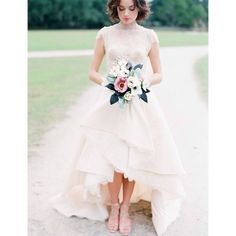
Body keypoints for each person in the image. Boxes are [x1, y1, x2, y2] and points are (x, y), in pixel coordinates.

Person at [50, 0, 186, 235]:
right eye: (121, 8)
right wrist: (111, 84)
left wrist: (140, 82)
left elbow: (159, 73)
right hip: (111, 104)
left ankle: (125, 208)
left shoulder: (149, 36)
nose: (126, 13)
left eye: (131, 8)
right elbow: (92, 71)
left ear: (139, 9)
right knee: (113, 159)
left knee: (131, 157)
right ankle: (114, 207)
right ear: (115, 9)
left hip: (139, 104)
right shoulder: (105, 34)